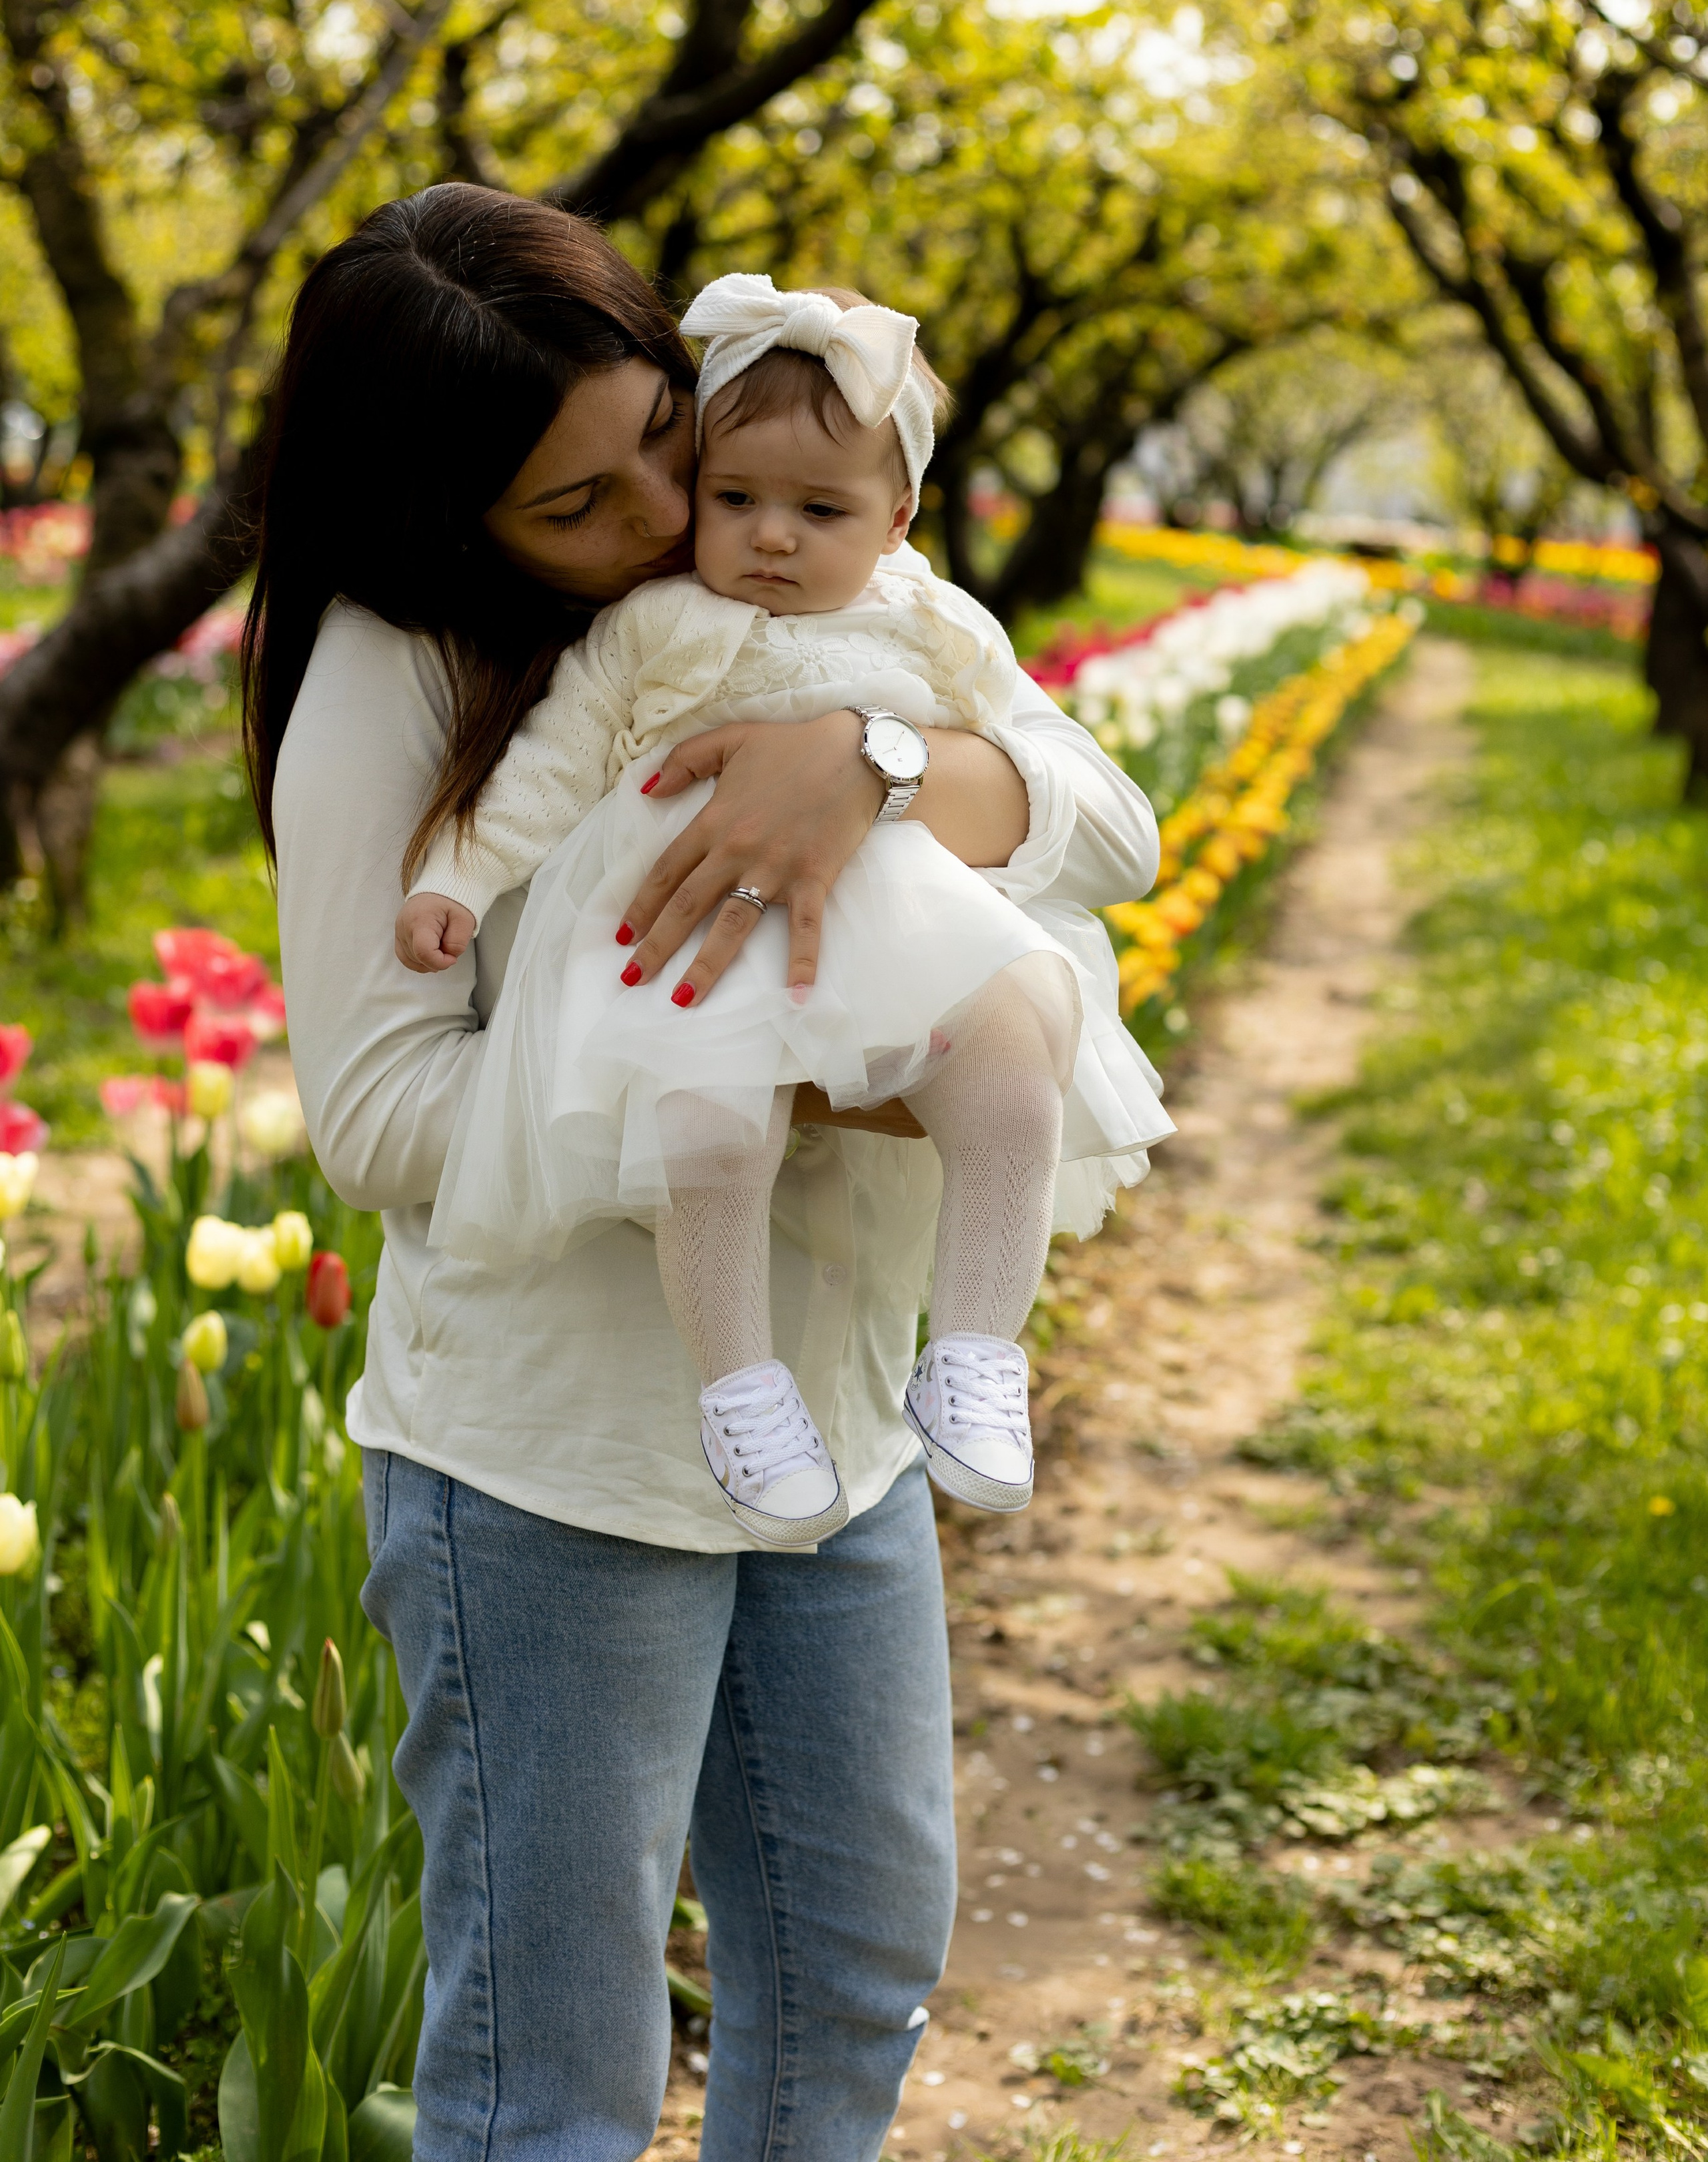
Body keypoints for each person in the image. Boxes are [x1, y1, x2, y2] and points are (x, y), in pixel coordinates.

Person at [248, 183, 1162, 2162]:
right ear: (441, 515)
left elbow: (1101, 810)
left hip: (836, 1421)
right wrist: (740, 1097)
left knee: (850, 1971)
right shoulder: (398, 671)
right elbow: (377, 1115)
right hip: (558, 1466)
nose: (669, 524)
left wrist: (881, 768)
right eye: (576, 511)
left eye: (662, 445)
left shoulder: (815, 595)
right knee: (555, 2088)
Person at [396, 273, 1172, 1548]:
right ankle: (739, 1380)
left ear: (900, 519)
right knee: (708, 1139)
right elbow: (551, 757)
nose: (769, 537)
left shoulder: (935, 617)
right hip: (696, 933)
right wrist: (458, 879)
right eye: (735, 497)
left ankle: (976, 1348)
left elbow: (1096, 803)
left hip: (902, 921)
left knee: (1024, 1032)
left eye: (821, 510)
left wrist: (883, 755)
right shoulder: (655, 623)